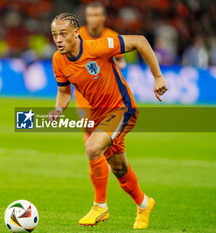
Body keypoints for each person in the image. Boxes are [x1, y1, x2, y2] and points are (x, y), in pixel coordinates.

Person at [48, 13, 167, 229]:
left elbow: (140, 41)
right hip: (101, 116)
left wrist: (157, 76)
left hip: (123, 109)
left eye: (63, 34)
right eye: (55, 34)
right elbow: (64, 92)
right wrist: (57, 109)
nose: (58, 39)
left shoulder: (98, 47)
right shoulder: (58, 60)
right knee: (120, 169)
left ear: (76, 32)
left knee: (92, 148)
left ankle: (99, 206)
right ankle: (144, 204)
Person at [77, 2, 127, 142]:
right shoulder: (78, 36)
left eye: (96, 15)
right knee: (88, 127)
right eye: (90, 15)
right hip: (84, 93)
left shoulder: (112, 36)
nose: (93, 19)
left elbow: (122, 61)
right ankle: (97, 159)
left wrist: (113, 66)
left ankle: (102, 159)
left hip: (106, 92)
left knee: (105, 133)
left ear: (103, 18)